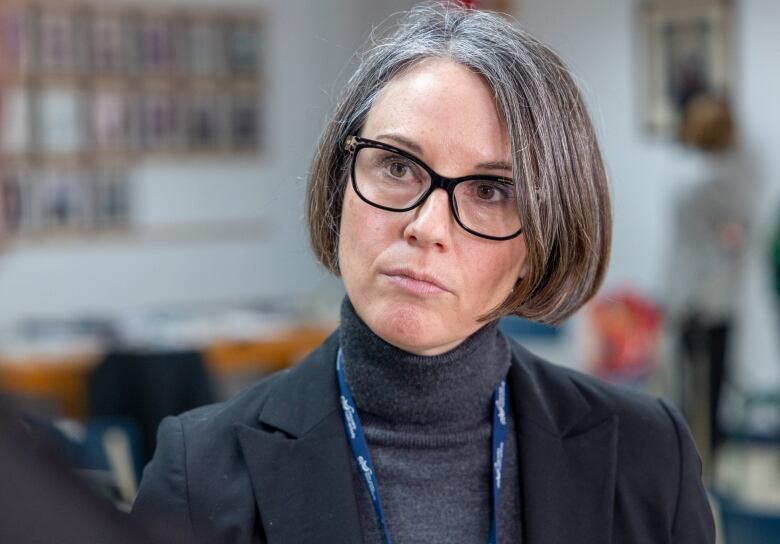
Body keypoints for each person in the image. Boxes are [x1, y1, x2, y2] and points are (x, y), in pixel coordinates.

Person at [132, 5, 715, 543]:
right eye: (397, 165)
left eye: (491, 190)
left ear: (540, 243)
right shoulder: (197, 473)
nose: (426, 225)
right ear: (340, 186)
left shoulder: (649, 455)